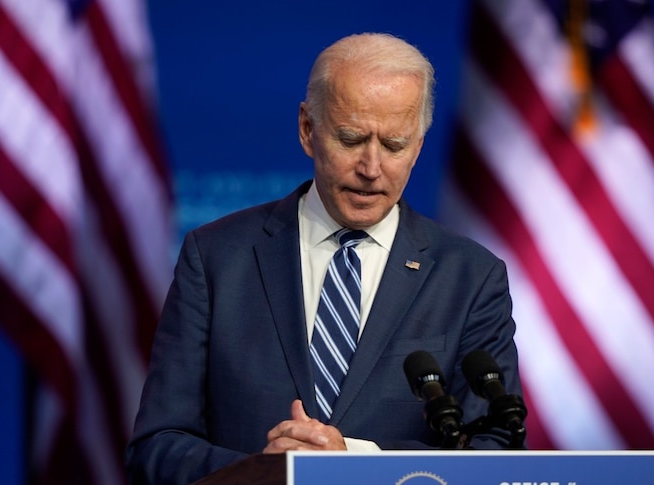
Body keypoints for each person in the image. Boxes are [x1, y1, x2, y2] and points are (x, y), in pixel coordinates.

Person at [125, 32, 523, 484]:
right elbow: (156, 448)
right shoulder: (216, 259)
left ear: (418, 146)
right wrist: (264, 473)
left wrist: (354, 462)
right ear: (308, 129)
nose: (372, 168)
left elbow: (499, 452)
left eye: (394, 145)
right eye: (352, 139)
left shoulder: (470, 277)